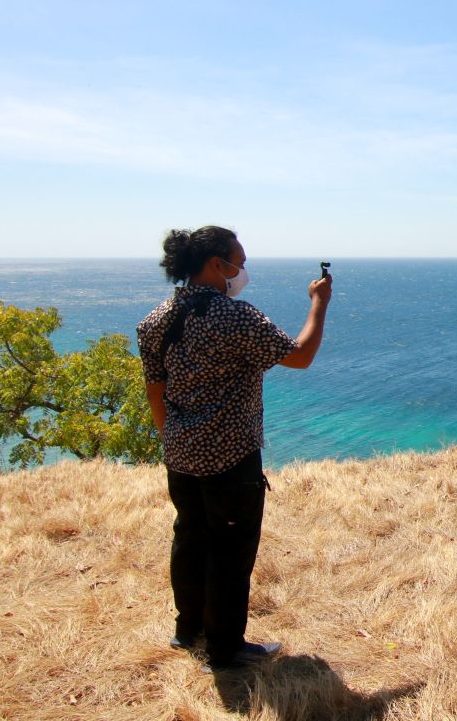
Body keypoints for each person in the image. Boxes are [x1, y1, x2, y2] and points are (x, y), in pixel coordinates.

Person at [136, 226, 332, 670]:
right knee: (230, 551)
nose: (242, 271)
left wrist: (173, 439)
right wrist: (319, 303)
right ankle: (225, 649)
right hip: (230, 458)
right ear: (215, 265)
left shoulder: (155, 320)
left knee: (190, 538)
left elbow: (154, 390)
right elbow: (299, 355)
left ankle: (189, 631)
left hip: (180, 454)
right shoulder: (232, 317)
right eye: (238, 263)